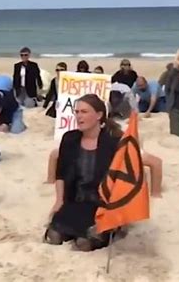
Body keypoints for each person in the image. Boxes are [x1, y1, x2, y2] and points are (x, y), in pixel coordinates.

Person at [44, 94, 122, 251]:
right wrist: (59, 201)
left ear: (99, 115)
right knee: (54, 237)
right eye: (77, 112)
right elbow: (61, 173)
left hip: (100, 205)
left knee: (84, 243)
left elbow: (122, 180)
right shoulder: (70, 139)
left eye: (84, 112)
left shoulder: (112, 143)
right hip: (74, 201)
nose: (78, 116)